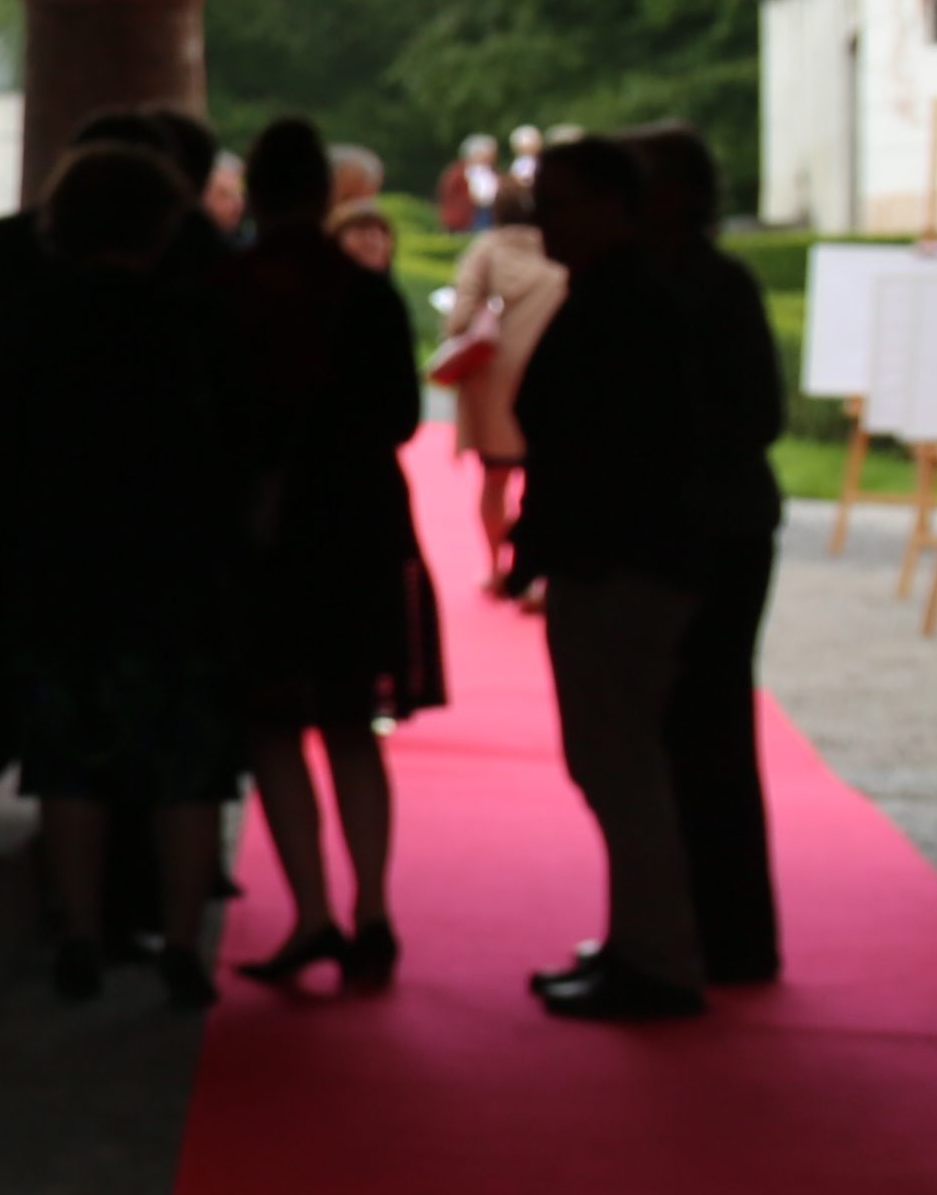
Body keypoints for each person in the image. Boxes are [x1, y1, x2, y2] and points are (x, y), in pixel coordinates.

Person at [0, 142, 244, 1003]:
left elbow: (3, 449)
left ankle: (81, 935)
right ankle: (182, 944)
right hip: (178, 572)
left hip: (62, 568)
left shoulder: (31, 319)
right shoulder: (196, 322)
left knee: (68, 765)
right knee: (187, 770)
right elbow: (236, 448)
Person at [213, 118, 427, 990]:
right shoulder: (364, 293)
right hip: (357, 521)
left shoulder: (228, 288)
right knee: (350, 722)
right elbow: (402, 416)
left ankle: (311, 914)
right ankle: (373, 908)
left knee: (272, 726)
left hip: (265, 531)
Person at [506, 138, 715, 1022]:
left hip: (620, 560)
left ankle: (656, 956)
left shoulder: (623, 300)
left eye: (556, 204)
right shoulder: (625, 291)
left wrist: (568, 547)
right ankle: (645, 940)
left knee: (617, 760)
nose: (541, 222)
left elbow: (603, 444)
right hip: (624, 555)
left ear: (609, 206)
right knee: (617, 758)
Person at [629, 124, 789, 985]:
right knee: (686, 731)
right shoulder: (663, 281)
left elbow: (757, 414)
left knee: (709, 730)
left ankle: (727, 934)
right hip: (698, 525)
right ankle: (698, 923)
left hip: (717, 531)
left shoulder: (713, 286)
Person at [436, 203, 568, 596]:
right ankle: (540, 578)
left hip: (493, 383)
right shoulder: (562, 249)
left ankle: (497, 570)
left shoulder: (484, 252)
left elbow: (460, 320)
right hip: (551, 379)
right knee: (544, 484)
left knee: (495, 480)